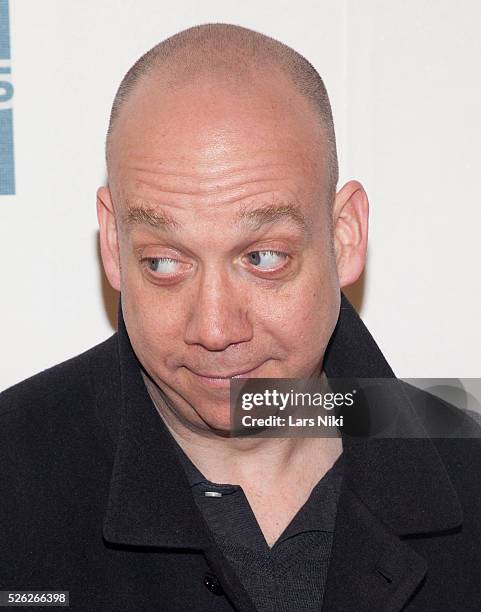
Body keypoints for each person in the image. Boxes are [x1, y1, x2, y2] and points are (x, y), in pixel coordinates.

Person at [1, 23, 480, 611]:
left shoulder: (467, 458)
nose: (215, 328)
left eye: (263, 258)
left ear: (345, 236)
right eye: (164, 263)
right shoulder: (12, 475)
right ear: (112, 241)